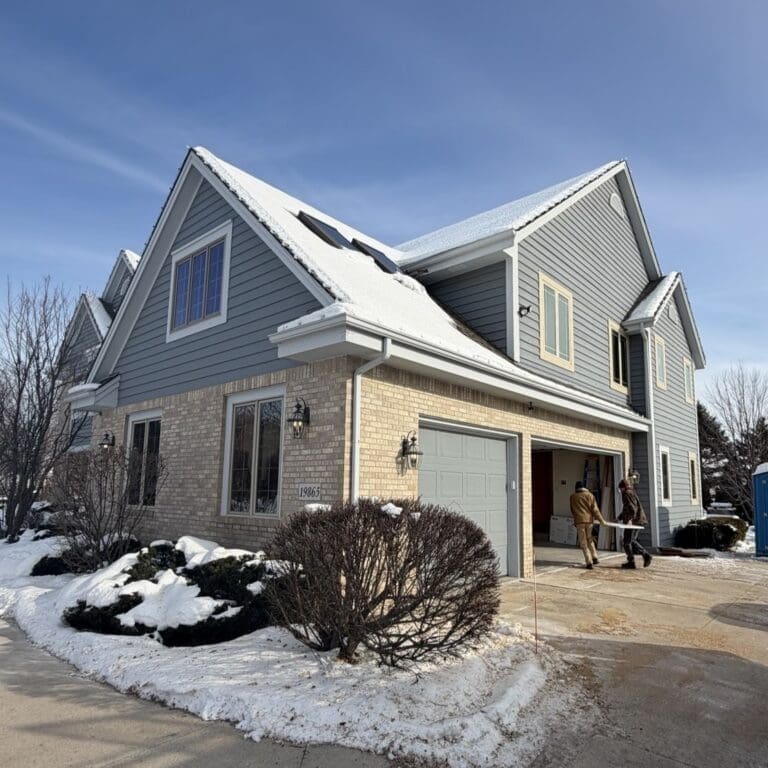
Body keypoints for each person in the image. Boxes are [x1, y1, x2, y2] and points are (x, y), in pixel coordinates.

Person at [569, 481, 607, 569]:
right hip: (589, 521)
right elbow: (595, 510)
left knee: (583, 542)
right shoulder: (590, 495)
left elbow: (572, 510)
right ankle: (595, 557)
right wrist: (601, 520)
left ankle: (588, 561)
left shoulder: (572, 497)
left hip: (579, 521)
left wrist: (576, 518)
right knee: (589, 539)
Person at [618, 479, 652, 569]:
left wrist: (630, 520)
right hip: (638, 520)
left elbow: (632, 508)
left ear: (622, 488)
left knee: (627, 542)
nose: (620, 491)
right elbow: (627, 509)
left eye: (620, 489)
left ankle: (635, 560)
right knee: (631, 541)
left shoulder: (626, 493)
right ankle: (641, 557)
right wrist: (619, 518)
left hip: (634, 521)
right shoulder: (631, 492)